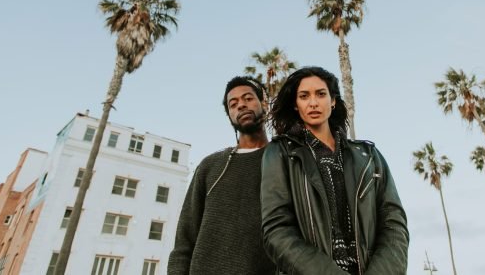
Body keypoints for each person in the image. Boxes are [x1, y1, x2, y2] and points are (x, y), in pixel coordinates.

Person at [261, 66, 409, 275]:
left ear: (333, 100)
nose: (313, 102)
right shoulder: (280, 153)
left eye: (321, 94)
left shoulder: (368, 156)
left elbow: (394, 225)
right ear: (296, 105)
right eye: (304, 96)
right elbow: (277, 230)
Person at [168, 76, 276, 275]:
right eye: (233, 104)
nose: (241, 105)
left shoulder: (284, 161)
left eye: (248, 98)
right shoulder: (210, 166)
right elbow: (184, 241)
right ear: (230, 116)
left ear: (264, 104)